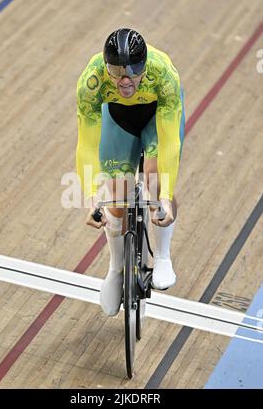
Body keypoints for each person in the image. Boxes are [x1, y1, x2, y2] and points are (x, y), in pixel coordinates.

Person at [76, 28, 185, 316]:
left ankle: (161, 255)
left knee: (153, 177)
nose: (125, 79)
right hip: (118, 119)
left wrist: (166, 196)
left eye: (133, 70)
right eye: (116, 70)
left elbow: (170, 140)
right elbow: (86, 142)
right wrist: (89, 197)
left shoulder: (163, 75)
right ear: (105, 64)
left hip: (155, 118)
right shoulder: (92, 80)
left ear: (145, 64)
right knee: (117, 196)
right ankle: (115, 269)